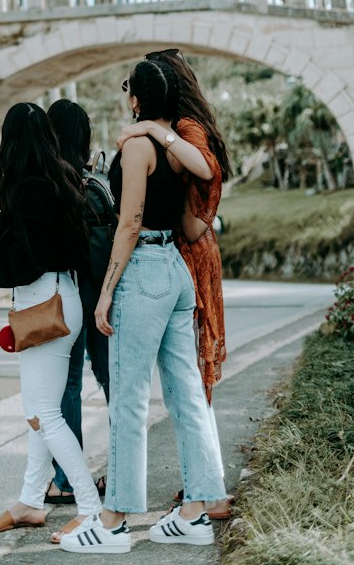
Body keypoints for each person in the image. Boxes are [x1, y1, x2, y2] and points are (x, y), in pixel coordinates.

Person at [58, 55, 226, 554]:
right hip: (177, 269)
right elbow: (196, 201)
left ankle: (112, 523)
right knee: (186, 394)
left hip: (146, 269)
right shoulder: (175, 142)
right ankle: (198, 510)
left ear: (135, 97)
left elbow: (129, 222)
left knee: (128, 400)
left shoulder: (138, 146)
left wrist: (107, 289)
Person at [0, 101, 102, 537]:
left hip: (44, 301)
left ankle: (91, 510)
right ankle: (30, 501)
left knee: (42, 413)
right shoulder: (59, 182)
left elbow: (26, 261)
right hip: (61, 297)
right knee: (43, 410)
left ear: (11, 142)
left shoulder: (32, 188)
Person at [118, 48, 233, 520]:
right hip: (181, 252)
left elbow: (207, 170)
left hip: (185, 253)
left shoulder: (184, 129)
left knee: (191, 381)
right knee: (188, 380)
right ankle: (203, 489)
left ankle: (209, 491)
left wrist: (150, 129)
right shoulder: (181, 125)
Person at [45, 98, 112, 543]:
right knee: (113, 381)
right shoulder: (97, 183)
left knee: (64, 386)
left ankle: (67, 480)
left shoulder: (51, 185)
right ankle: (123, 473)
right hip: (102, 295)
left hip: (65, 299)